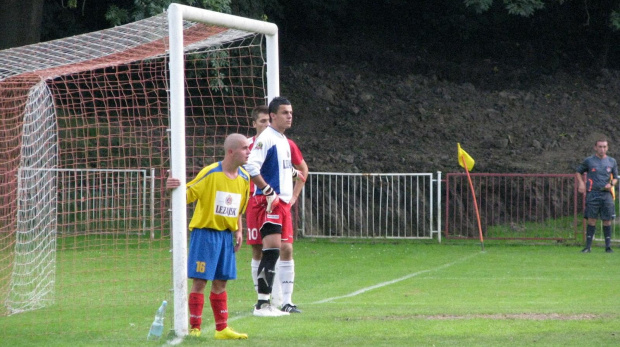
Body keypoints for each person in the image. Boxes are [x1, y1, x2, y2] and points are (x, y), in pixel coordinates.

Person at [166, 133, 251, 339]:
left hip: (226, 238)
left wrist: (239, 230)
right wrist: (172, 187)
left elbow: (238, 208)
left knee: (221, 282)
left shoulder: (245, 178)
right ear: (231, 152)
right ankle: (194, 328)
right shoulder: (210, 173)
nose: (249, 152)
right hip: (205, 235)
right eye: (244, 148)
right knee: (200, 281)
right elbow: (186, 194)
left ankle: (222, 329)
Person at [244, 97, 306, 317]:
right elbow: (251, 165)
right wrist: (268, 190)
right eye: (284, 112)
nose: (289, 116)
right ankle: (262, 304)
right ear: (272, 116)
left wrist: (291, 174)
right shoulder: (267, 138)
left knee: (275, 251)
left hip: (281, 204)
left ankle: (270, 302)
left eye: (290, 112)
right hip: (270, 202)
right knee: (269, 252)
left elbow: (276, 167)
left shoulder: (282, 140)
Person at [576, 137, 618, 253]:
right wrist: (581, 183)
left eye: (604, 147)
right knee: (591, 219)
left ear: (607, 148)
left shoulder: (612, 161)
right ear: (595, 147)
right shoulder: (589, 161)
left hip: (606, 194)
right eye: (600, 146)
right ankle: (588, 247)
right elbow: (578, 172)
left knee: (607, 219)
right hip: (593, 193)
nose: (602, 149)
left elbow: (615, 178)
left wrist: (611, 184)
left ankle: (608, 247)